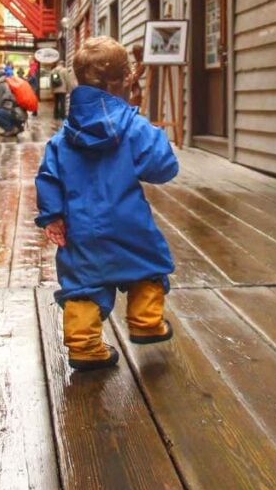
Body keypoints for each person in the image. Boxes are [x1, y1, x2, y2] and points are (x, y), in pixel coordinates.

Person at [35, 36, 178, 372]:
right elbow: (162, 168)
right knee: (148, 265)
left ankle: (85, 347)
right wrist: (156, 139)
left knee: (82, 284)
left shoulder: (63, 137)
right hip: (129, 222)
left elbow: (48, 176)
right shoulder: (134, 128)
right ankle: (145, 322)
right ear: (125, 80)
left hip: (80, 226)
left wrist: (52, 216)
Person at [0, 69, 27, 138]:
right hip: (19, 114)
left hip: (15, 114)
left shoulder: (1, 85)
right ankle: (16, 127)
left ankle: (11, 129)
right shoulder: (6, 82)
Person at [129, 43, 145, 109]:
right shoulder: (135, 64)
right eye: (134, 54)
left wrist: (133, 76)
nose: (135, 56)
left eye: (136, 54)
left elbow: (136, 76)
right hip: (133, 85)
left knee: (137, 96)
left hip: (134, 85)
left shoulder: (141, 64)